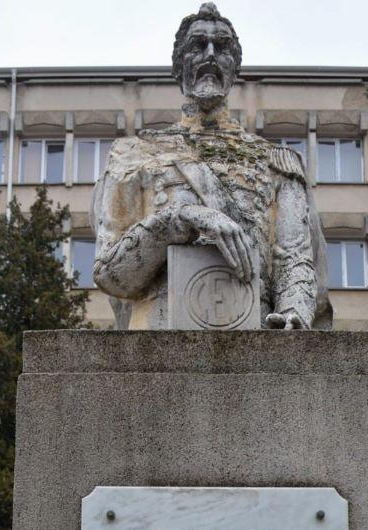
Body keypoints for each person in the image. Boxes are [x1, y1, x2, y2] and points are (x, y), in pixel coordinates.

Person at [90, 2, 331, 330]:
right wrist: (182, 219)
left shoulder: (276, 161)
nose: (211, 54)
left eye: (223, 47)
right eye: (198, 45)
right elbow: (111, 274)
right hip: (157, 337)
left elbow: (294, 257)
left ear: (234, 68)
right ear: (179, 66)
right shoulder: (133, 155)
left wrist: (294, 313)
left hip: (256, 335)